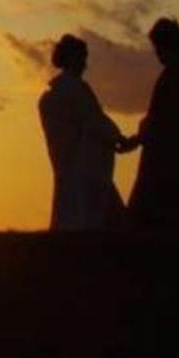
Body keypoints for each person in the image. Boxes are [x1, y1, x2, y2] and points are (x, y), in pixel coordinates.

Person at [37, 34, 130, 231]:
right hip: (86, 166)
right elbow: (94, 120)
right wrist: (118, 138)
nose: (84, 64)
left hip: (68, 164)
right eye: (82, 58)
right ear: (73, 58)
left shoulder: (54, 95)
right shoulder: (75, 90)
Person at [127, 17, 179, 234]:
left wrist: (139, 138)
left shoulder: (175, 78)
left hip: (167, 163)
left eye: (157, 47)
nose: (156, 53)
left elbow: (159, 121)